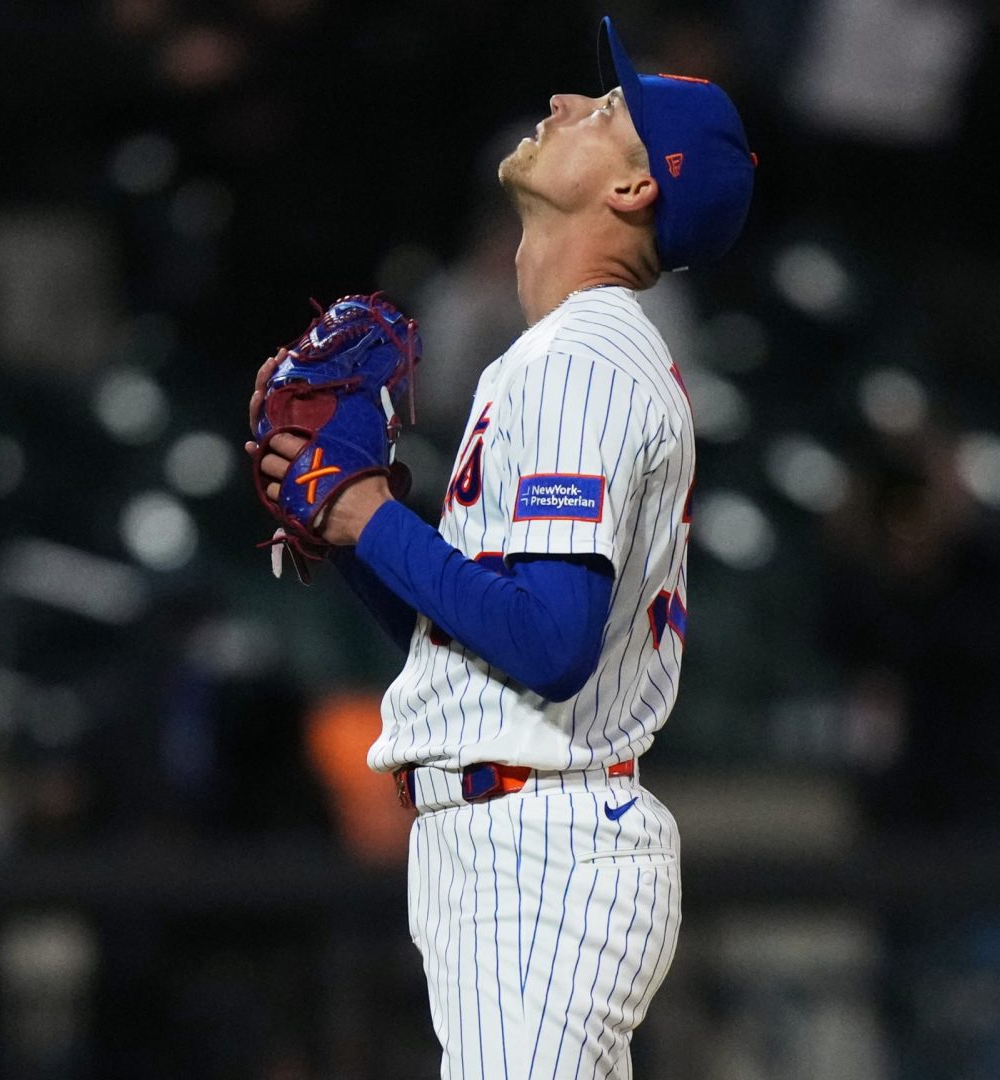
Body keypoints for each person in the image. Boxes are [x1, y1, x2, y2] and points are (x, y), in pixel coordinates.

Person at [247, 18, 753, 1076]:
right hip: (525, 838)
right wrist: (354, 528)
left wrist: (369, 516)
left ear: (634, 190)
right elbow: (477, 640)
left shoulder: (577, 361)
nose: (565, 104)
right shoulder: (571, 354)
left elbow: (550, 642)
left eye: (604, 111)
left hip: (539, 851)